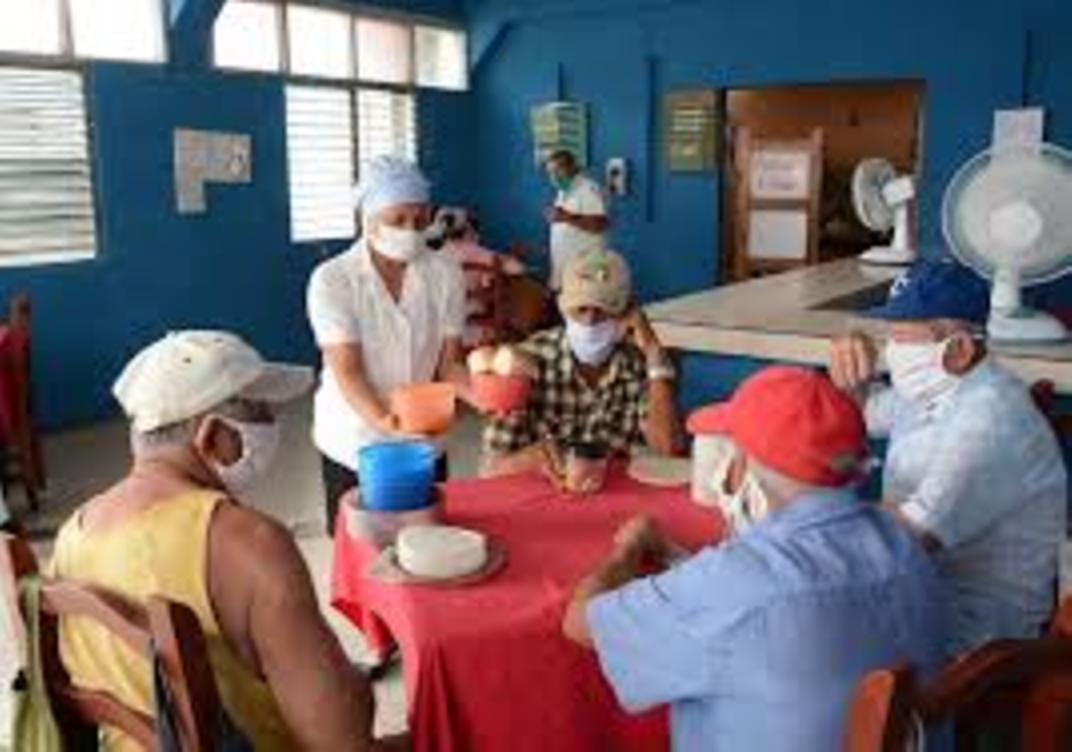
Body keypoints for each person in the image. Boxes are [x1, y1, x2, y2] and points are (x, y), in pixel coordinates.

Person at [49, 331, 406, 752]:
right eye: (259, 412)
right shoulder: (248, 543)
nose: (272, 425)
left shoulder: (72, 533)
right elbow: (340, 740)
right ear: (212, 435)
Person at [562, 366, 946, 752]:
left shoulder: (736, 583)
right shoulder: (904, 544)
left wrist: (626, 553)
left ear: (745, 467)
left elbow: (581, 623)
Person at [828, 260, 1067, 655]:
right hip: (920, 584)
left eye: (904, 339)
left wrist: (803, 517)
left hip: (981, 633)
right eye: (889, 336)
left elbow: (912, 535)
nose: (893, 353)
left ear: (960, 348)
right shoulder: (938, 385)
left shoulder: (990, 419)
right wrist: (853, 375)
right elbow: (869, 413)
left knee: (809, 641)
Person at [307, 157, 468, 534]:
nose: (411, 231)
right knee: (360, 545)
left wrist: (484, 397)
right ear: (369, 220)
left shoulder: (444, 271)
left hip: (426, 433)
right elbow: (347, 370)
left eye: (419, 219)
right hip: (354, 438)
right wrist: (386, 423)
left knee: (426, 540)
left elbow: (448, 367)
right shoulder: (334, 280)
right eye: (397, 220)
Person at [481, 249, 679, 487]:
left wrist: (653, 353)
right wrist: (527, 459)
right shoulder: (528, 361)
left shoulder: (639, 366)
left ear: (627, 312)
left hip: (612, 500)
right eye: (580, 309)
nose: (590, 321)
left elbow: (667, 451)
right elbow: (489, 471)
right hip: (541, 501)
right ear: (563, 308)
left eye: (602, 310)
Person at [429, 207, 527, 347]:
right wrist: (510, 258)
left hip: (438, 311)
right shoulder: (478, 252)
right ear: (468, 229)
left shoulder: (431, 255)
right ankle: (480, 338)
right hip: (469, 307)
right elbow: (518, 269)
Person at [545, 149, 609, 291]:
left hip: (586, 269)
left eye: (557, 171)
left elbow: (601, 224)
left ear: (572, 168)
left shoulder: (589, 189)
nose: (553, 177)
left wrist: (566, 217)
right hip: (566, 268)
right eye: (550, 173)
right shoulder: (563, 191)